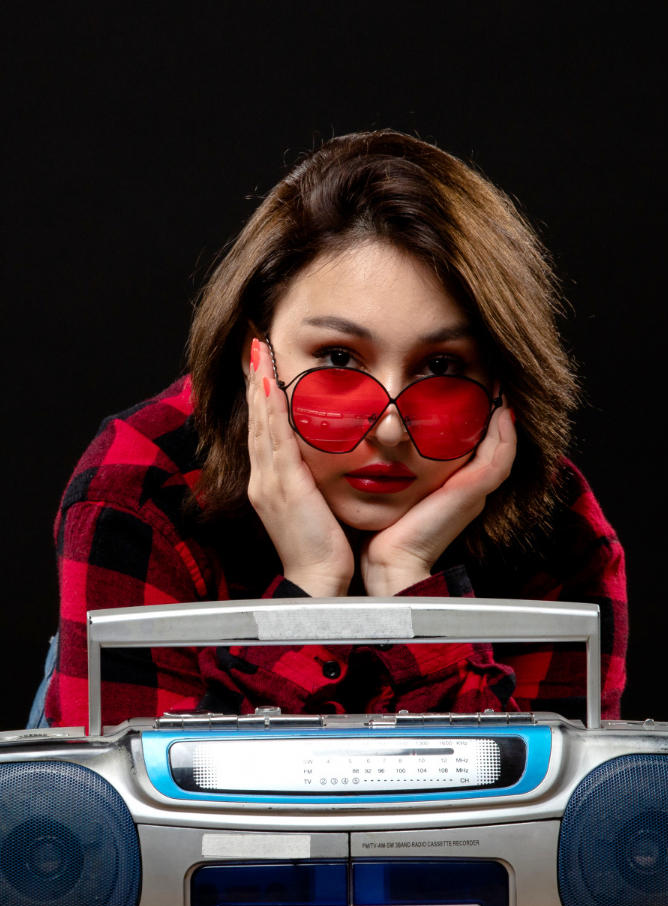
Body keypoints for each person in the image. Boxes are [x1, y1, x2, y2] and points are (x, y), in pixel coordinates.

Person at [33, 130, 626, 730]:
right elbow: (140, 813)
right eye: (339, 359)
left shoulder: (560, 533)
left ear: (500, 381)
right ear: (254, 355)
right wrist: (311, 588)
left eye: (441, 367)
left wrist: (408, 582)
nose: (391, 428)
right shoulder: (136, 493)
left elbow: (526, 814)